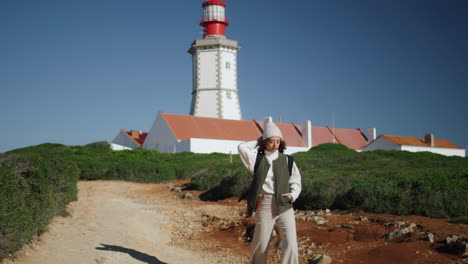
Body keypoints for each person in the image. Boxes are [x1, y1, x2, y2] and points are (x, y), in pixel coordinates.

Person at [238, 121, 302, 264]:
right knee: (261, 244)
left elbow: (296, 181)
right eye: (271, 141)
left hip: (285, 204)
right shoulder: (256, 159)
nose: (275, 144)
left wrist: (293, 195)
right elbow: (241, 147)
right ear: (265, 142)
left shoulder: (287, 160)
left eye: (278, 141)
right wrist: (258, 140)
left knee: (291, 243)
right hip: (265, 204)